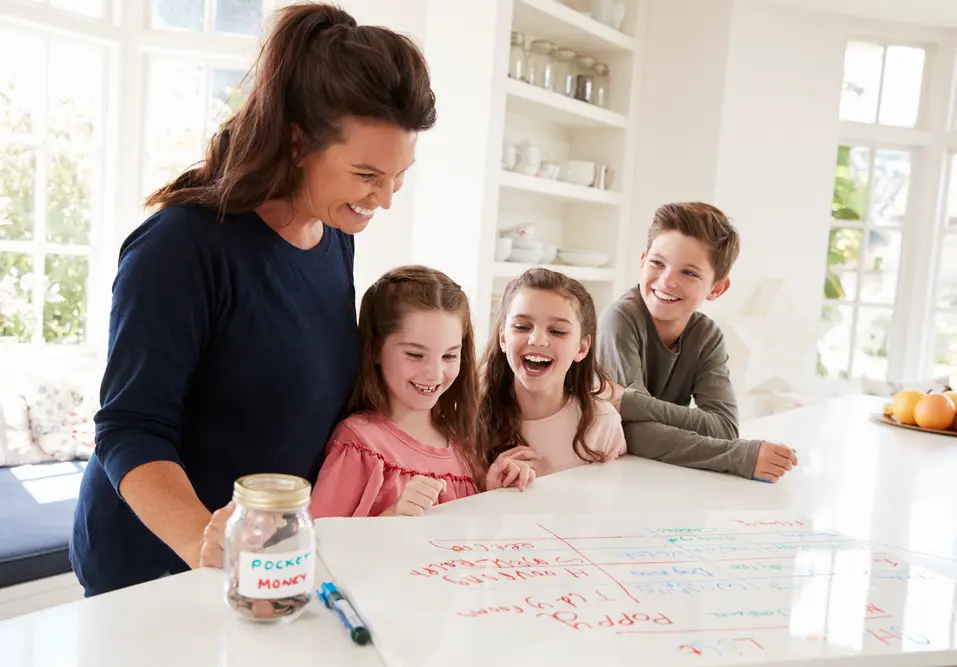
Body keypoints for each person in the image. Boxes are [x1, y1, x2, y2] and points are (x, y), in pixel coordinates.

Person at [71, 3, 438, 596]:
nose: (386, 199)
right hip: (158, 566)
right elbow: (129, 429)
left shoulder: (335, 236)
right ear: (297, 143)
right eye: (367, 175)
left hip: (268, 558)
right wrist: (203, 542)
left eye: (399, 175)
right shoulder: (180, 246)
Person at [309, 266, 535, 517]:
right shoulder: (359, 443)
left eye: (449, 356)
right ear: (374, 349)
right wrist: (391, 516)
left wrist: (492, 492)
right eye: (415, 355)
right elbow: (318, 536)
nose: (434, 374)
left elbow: (466, 531)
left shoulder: (463, 443)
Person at [596, 203, 797, 483]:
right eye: (657, 263)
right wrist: (737, 457)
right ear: (642, 262)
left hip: (658, 474)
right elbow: (630, 433)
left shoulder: (706, 336)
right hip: (600, 472)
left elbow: (725, 427)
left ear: (717, 288)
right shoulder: (620, 319)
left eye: (688, 273)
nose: (666, 281)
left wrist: (631, 402)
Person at [479, 268, 626, 477]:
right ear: (503, 338)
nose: (537, 340)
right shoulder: (471, 416)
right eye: (522, 326)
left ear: (582, 348)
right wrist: (491, 486)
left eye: (557, 331)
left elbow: (616, 492)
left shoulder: (602, 422)